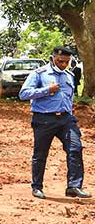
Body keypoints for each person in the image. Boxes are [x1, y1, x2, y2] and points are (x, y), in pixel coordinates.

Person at [19, 46, 89, 199]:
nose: (63, 64)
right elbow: (23, 94)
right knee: (40, 153)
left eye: (66, 62)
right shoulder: (39, 74)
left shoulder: (69, 75)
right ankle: (37, 187)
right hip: (44, 119)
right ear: (53, 58)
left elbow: (69, 96)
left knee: (75, 149)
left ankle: (74, 186)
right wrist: (46, 90)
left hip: (65, 119)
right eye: (60, 61)